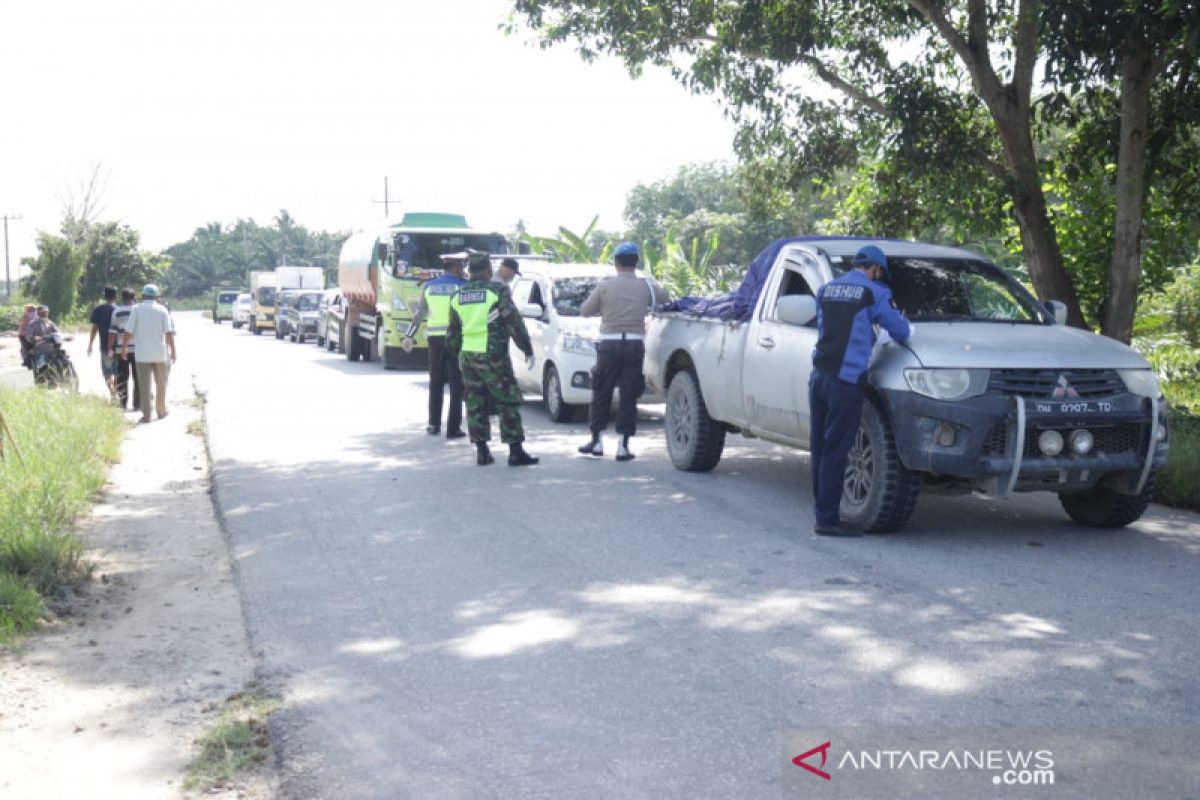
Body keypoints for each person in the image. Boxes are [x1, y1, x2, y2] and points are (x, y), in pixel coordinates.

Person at [809, 245, 911, 537]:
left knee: (820, 448)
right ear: (876, 269)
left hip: (819, 377)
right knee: (837, 450)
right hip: (846, 381)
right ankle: (827, 521)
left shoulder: (826, 290)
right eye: (880, 273)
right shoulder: (874, 293)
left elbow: (828, 327)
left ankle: (822, 512)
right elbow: (900, 331)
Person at [577, 241, 670, 462]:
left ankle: (597, 441)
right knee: (629, 395)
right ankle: (623, 446)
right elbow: (665, 302)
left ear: (617, 263)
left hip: (608, 345)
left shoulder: (605, 286)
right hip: (635, 345)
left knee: (601, 392)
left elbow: (584, 311)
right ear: (636, 263)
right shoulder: (647, 286)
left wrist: (605, 309)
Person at [447, 251, 539, 467]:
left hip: (468, 356)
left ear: (470, 271)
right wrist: (526, 347)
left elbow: (452, 333)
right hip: (493, 356)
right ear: (488, 270)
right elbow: (513, 322)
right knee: (507, 400)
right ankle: (515, 451)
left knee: (475, 403)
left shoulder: (458, 295)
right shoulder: (498, 291)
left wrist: (455, 353)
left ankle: (482, 451)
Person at [402, 252, 467, 438]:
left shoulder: (429, 286)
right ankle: (453, 428)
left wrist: (409, 336)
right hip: (455, 340)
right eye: (461, 267)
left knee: (435, 382)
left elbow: (419, 314)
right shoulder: (462, 286)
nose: (462, 270)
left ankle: (433, 425)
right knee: (456, 386)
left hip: (435, 341)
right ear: (456, 267)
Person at [121, 284, 176, 423]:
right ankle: (161, 410)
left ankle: (147, 415)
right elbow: (169, 333)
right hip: (160, 353)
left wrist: (124, 348)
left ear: (143, 295)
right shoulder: (162, 309)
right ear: (157, 296)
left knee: (144, 385)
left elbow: (128, 331)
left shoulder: (136, 309)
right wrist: (173, 351)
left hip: (142, 354)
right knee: (161, 383)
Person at [108, 289, 140, 411]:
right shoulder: (138, 310)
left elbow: (112, 332)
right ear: (134, 297)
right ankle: (137, 404)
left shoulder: (117, 311)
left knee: (122, 377)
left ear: (122, 298)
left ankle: (123, 404)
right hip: (137, 349)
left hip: (121, 349)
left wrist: (110, 348)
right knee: (138, 377)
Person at [88, 286, 118, 397]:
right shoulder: (118, 310)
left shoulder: (98, 310)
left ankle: (111, 391)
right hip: (118, 346)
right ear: (115, 296)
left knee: (107, 371)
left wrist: (90, 344)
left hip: (105, 346)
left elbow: (94, 329)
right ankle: (116, 390)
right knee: (117, 372)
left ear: (104, 296)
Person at [25, 306, 60, 371]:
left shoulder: (50, 322)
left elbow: (57, 332)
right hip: (40, 347)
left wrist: (64, 337)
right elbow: (28, 336)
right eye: (43, 312)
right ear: (38, 313)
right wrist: (35, 338)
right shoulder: (32, 323)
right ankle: (41, 376)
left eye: (46, 312)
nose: (45, 314)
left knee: (63, 357)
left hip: (52, 346)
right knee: (41, 364)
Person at [17, 304, 36, 369]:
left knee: (26, 347)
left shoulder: (26, 316)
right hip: (25, 335)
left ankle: (27, 361)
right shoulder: (34, 315)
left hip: (25, 335)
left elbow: (22, 326)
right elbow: (22, 326)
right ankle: (28, 361)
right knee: (26, 347)